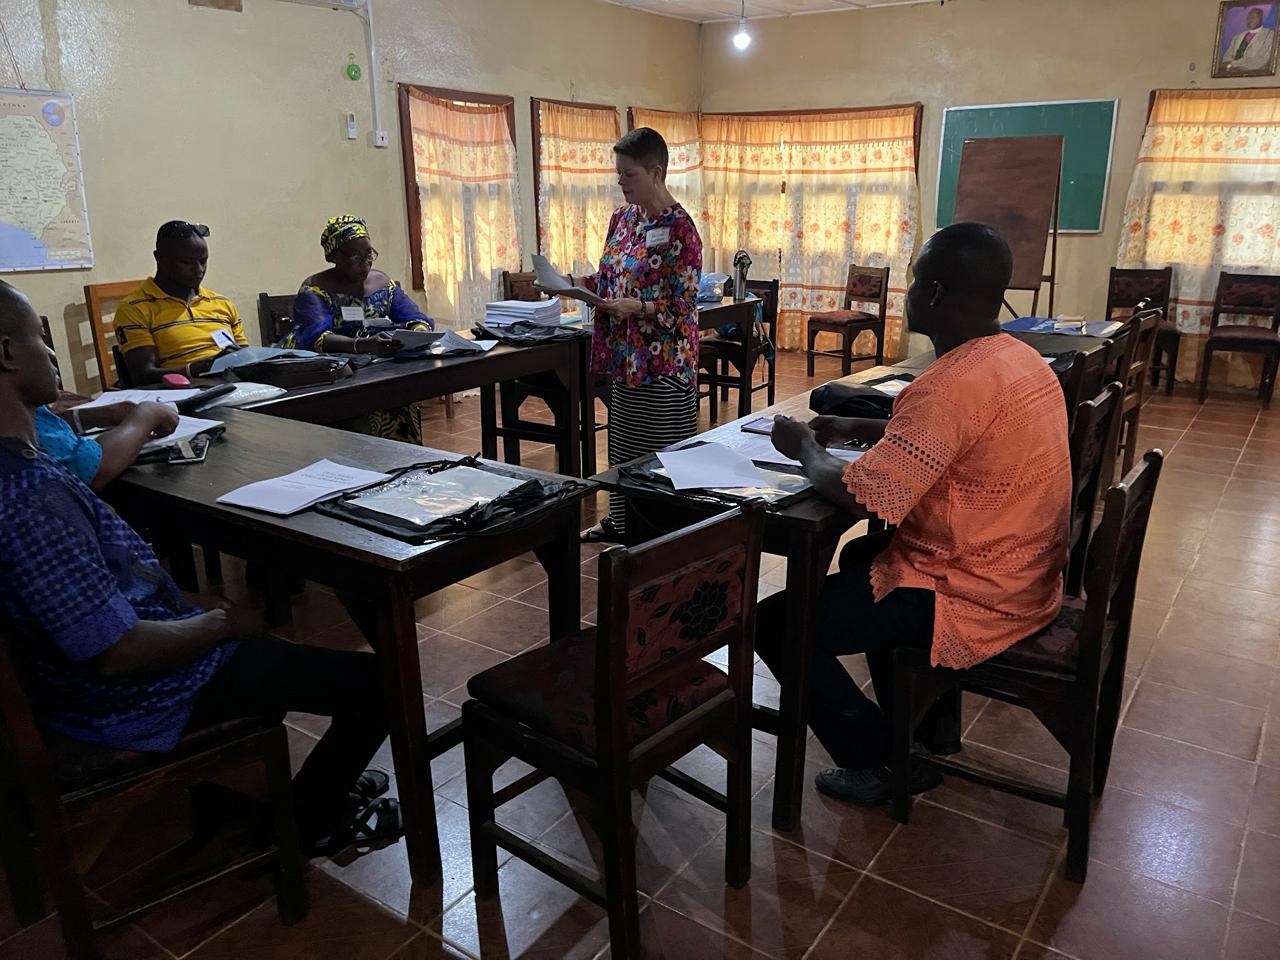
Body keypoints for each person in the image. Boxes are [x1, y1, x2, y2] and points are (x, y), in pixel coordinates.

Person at [0, 279, 400, 854]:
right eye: (41, 340)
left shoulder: (23, 464)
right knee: (384, 685)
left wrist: (193, 609)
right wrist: (219, 624)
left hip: (89, 674)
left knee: (281, 656)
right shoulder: (29, 495)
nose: (53, 354)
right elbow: (116, 652)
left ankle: (312, 787)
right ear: (7, 354)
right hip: (131, 696)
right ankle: (302, 826)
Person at [762, 223, 1071, 805]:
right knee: (862, 556)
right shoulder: (1017, 357)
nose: (905, 294)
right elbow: (962, 434)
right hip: (1027, 571)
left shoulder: (949, 385)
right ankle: (924, 729)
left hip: (979, 590)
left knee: (779, 623)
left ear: (932, 294)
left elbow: (865, 497)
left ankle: (878, 759)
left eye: (912, 282)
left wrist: (805, 447)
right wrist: (862, 425)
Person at [572, 127, 702, 541]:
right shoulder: (623, 219)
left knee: (660, 455)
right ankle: (621, 523)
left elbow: (683, 308)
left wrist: (639, 308)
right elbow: (610, 275)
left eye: (629, 174)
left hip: (664, 364)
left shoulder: (681, 230)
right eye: (618, 174)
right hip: (625, 360)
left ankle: (661, 535)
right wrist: (573, 283)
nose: (620, 182)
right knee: (624, 449)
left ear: (656, 172)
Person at [281, 215, 433, 443]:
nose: (365, 263)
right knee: (366, 411)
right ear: (333, 256)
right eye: (355, 257)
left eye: (369, 254)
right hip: (330, 376)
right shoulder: (314, 289)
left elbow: (414, 316)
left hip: (375, 368)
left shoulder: (381, 283)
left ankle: (404, 463)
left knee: (399, 396)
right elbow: (317, 339)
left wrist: (418, 332)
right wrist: (362, 345)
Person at [114, 221, 248, 386]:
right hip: (185, 393)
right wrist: (198, 368)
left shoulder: (222, 303)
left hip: (238, 387)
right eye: (186, 262)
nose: (199, 270)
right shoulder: (134, 308)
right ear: (159, 259)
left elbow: (245, 357)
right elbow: (142, 375)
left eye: (203, 261)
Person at [36, 400, 178, 491]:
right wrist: (148, 413)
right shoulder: (19, 424)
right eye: (42, 350)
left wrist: (100, 415)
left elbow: (47, 423)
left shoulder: (23, 409)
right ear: (12, 358)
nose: (52, 354)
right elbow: (95, 469)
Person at [1222, 5, 1274, 71]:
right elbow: (1227, 57)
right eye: (1249, 17)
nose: (1250, 19)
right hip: (1232, 72)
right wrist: (1229, 64)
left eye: (1254, 16)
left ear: (1262, 19)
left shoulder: (1270, 35)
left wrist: (1233, 64)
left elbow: (1262, 59)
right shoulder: (1238, 37)